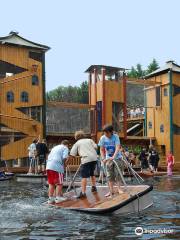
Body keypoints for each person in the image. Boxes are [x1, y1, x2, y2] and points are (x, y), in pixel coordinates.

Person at [70, 130, 97, 199]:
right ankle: (94, 187)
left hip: (86, 159)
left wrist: (68, 161)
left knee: (84, 176)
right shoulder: (90, 140)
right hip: (94, 158)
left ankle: (83, 193)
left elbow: (72, 154)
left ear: (76, 137)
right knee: (92, 173)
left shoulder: (77, 143)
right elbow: (96, 147)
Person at [98, 124, 123, 197]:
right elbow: (101, 149)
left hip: (117, 157)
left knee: (118, 173)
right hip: (107, 158)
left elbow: (117, 147)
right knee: (109, 175)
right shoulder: (102, 138)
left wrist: (113, 157)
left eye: (107, 133)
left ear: (111, 132)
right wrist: (103, 158)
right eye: (104, 133)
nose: (105, 134)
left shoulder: (115, 137)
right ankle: (111, 190)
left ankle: (119, 189)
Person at [46, 140, 69, 204]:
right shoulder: (65, 148)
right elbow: (64, 157)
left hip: (48, 166)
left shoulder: (54, 147)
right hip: (57, 166)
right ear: (66, 144)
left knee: (51, 183)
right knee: (59, 183)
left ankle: (50, 199)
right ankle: (58, 198)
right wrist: (64, 165)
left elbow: (48, 156)